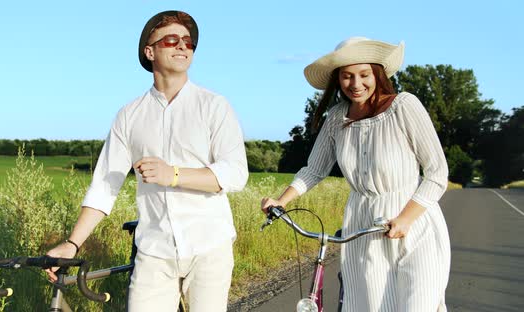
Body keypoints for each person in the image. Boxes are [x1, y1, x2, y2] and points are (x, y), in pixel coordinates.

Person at [45, 10, 248, 312]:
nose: (182, 46)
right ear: (149, 51)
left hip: (209, 246)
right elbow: (105, 184)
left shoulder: (214, 106)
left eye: (188, 42)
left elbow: (235, 174)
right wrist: (73, 243)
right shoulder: (129, 115)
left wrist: (174, 174)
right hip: (154, 250)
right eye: (171, 39)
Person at [261, 37, 450, 311]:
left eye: (364, 74)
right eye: (347, 76)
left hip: (414, 221)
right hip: (363, 227)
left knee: (418, 304)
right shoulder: (337, 117)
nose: (356, 84)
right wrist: (282, 201)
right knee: (371, 305)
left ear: (378, 74)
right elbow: (314, 169)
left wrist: (406, 219)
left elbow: (437, 172)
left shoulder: (404, 106)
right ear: (338, 79)